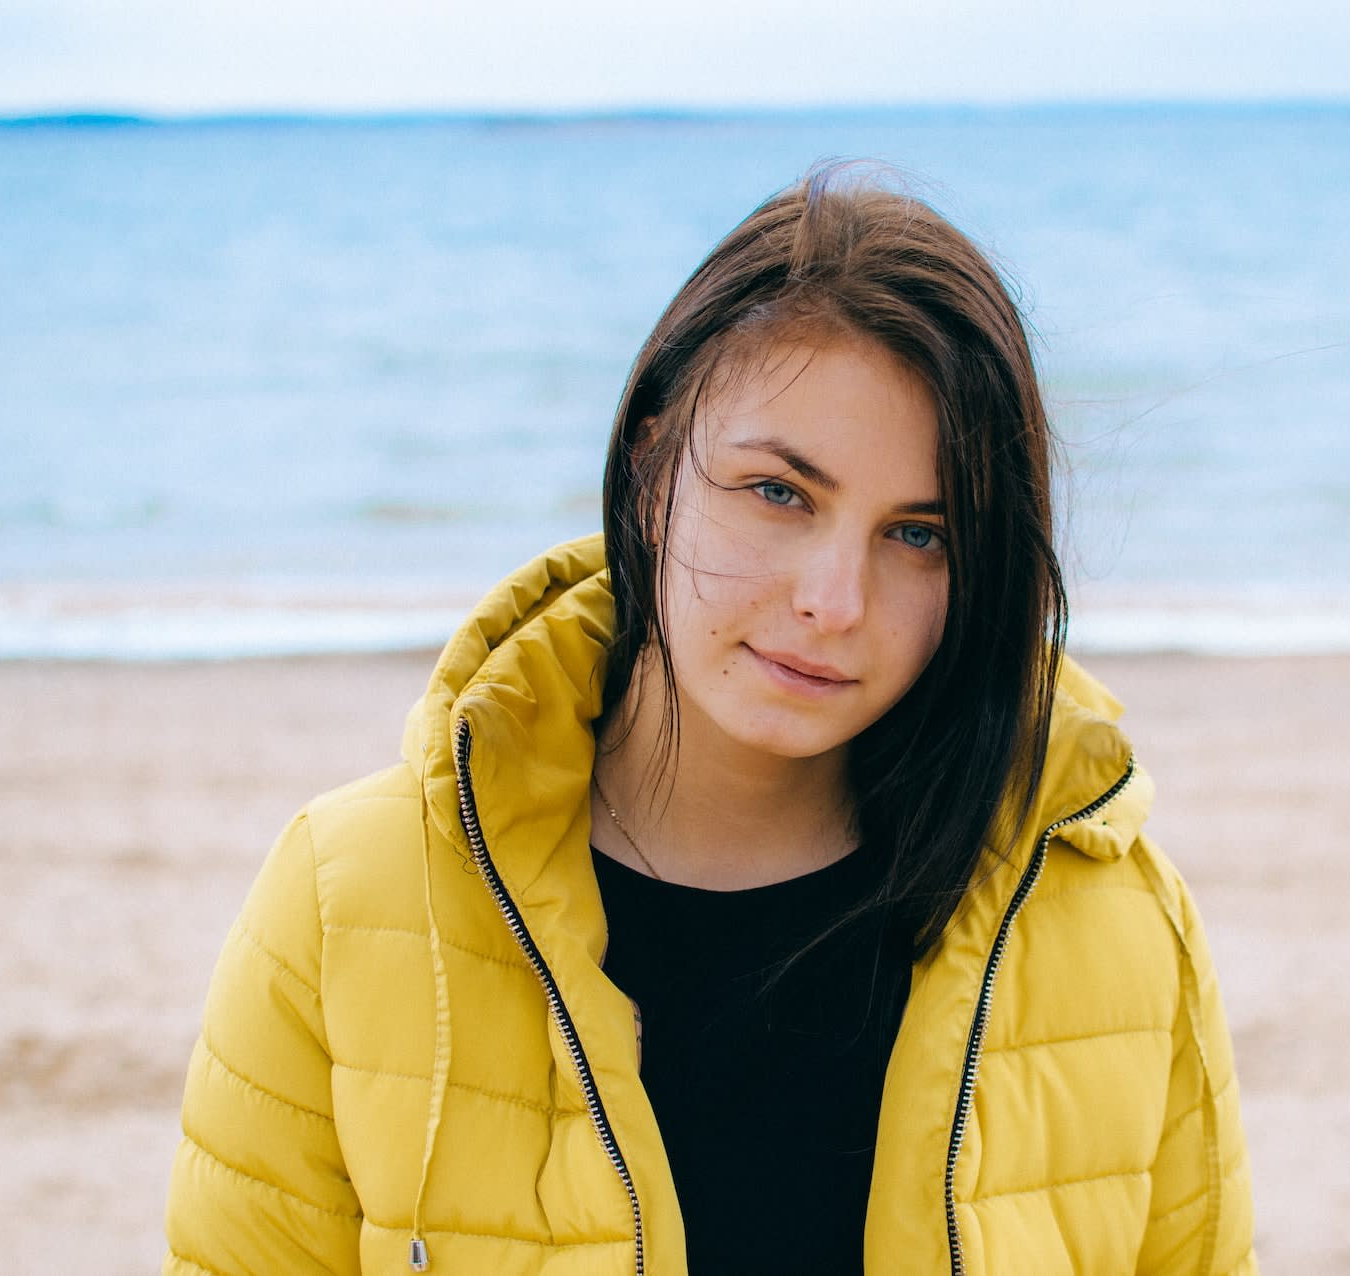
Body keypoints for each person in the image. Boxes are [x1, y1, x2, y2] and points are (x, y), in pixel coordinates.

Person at [163, 163, 1256, 1276]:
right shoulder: (352, 895)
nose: (835, 600)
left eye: (917, 533)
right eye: (781, 492)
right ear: (652, 467)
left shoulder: (1115, 919)